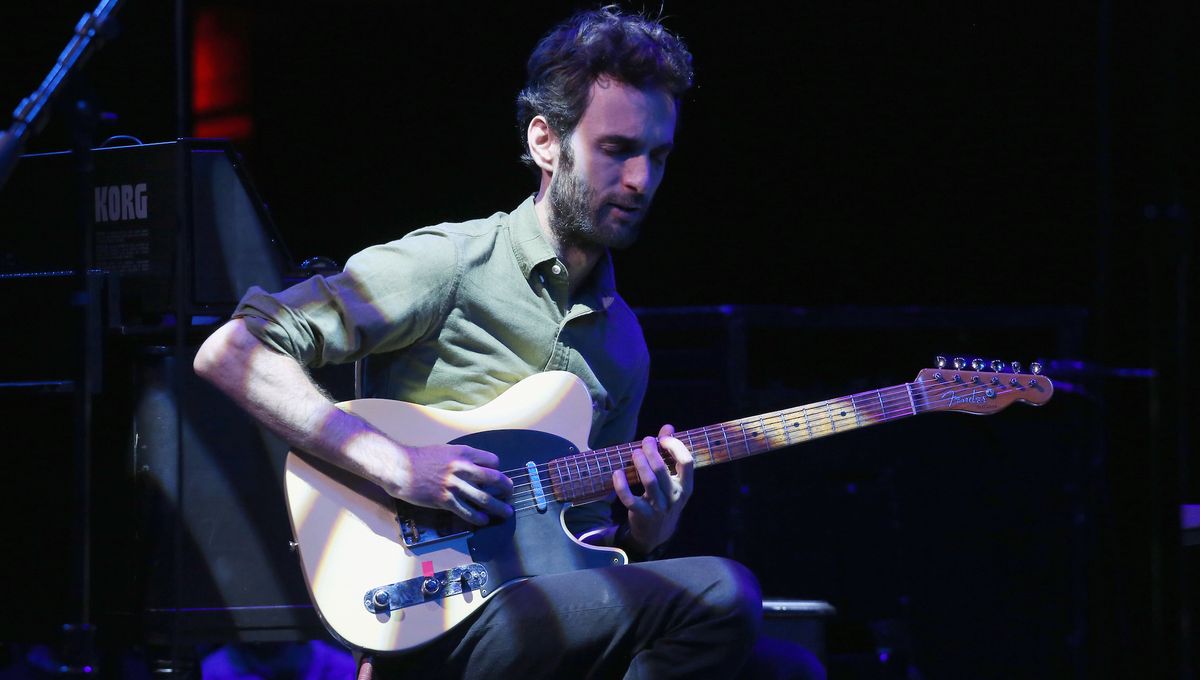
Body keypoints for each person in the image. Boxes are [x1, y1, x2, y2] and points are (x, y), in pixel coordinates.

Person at [195, 7, 786, 679]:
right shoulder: (450, 263)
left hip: (541, 619)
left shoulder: (623, 342)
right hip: (436, 613)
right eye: (617, 150)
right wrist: (396, 465)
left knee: (787, 668)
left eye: (658, 156)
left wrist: (644, 533)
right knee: (724, 592)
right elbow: (233, 351)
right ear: (546, 143)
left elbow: (585, 542)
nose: (641, 181)